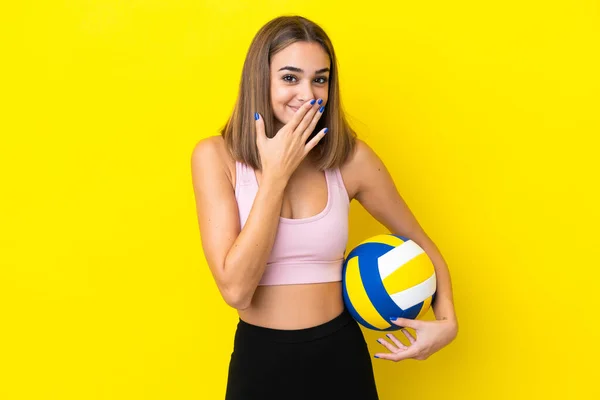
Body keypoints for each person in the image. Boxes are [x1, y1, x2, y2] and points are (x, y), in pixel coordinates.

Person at [191, 15, 458, 400]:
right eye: (289, 77)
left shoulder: (351, 160)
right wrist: (277, 174)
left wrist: (448, 321)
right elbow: (235, 290)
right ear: (259, 79)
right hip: (260, 364)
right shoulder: (215, 157)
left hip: (340, 359)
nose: (308, 93)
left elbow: (420, 242)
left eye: (320, 79)